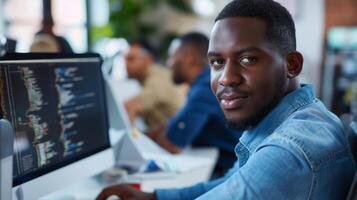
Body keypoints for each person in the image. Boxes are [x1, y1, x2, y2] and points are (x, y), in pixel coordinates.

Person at [97, 0, 357, 199]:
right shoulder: (299, 115)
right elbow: (232, 182)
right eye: (217, 62)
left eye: (248, 59)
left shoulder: (288, 152)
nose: (226, 78)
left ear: (291, 64)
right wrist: (154, 196)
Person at [147, 32, 240, 174]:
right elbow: (177, 123)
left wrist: (145, 141)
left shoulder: (205, 89)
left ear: (189, 60)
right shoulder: (207, 83)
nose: (168, 63)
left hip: (226, 171)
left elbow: (172, 144)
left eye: (172, 56)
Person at [124, 39, 184, 131]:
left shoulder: (157, 79)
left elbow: (130, 107)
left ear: (148, 60)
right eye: (125, 59)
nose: (126, 64)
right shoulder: (156, 75)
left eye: (131, 59)